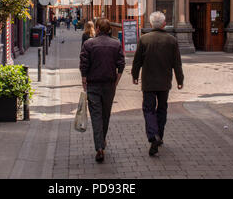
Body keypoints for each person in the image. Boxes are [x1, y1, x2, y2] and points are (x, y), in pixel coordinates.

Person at [131, 11, 184, 157]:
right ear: (164, 24)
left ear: (151, 23)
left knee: (148, 109)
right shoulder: (171, 40)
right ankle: (159, 135)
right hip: (164, 83)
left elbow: (137, 61)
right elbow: (177, 63)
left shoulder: (144, 39)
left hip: (148, 83)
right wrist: (180, 80)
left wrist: (135, 75)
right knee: (162, 109)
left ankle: (153, 135)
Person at [79, 18, 125, 163]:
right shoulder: (116, 44)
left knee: (96, 116)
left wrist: (84, 78)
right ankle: (101, 141)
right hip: (109, 85)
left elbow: (83, 63)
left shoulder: (89, 44)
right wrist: (116, 81)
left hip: (93, 85)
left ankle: (99, 146)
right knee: (105, 114)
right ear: (109, 29)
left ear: (97, 28)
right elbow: (121, 64)